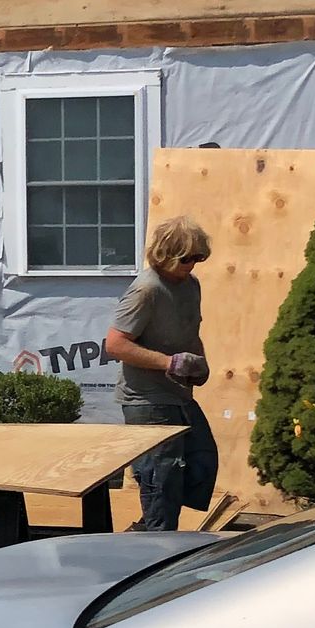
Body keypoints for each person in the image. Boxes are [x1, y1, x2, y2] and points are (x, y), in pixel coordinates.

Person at [103, 215, 218, 531]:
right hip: (146, 401)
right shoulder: (146, 289)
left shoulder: (190, 285)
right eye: (187, 258)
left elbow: (190, 333)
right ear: (165, 254)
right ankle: (154, 544)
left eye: (198, 258)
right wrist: (169, 363)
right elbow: (115, 345)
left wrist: (199, 363)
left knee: (201, 462)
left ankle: (147, 530)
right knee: (161, 478)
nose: (193, 265)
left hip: (178, 396)